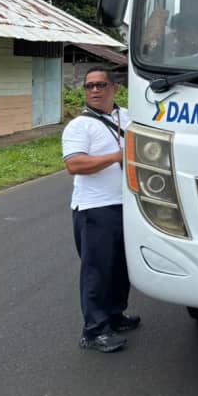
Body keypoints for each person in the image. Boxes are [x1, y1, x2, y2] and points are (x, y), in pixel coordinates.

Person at [62, 68, 139, 353]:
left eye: (100, 85)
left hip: (126, 205)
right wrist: (118, 156)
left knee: (121, 267)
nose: (94, 90)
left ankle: (115, 316)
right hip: (95, 209)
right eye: (89, 86)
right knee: (97, 270)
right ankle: (93, 331)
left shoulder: (128, 116)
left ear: (114, 89)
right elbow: (75, 164)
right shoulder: (79, 126)